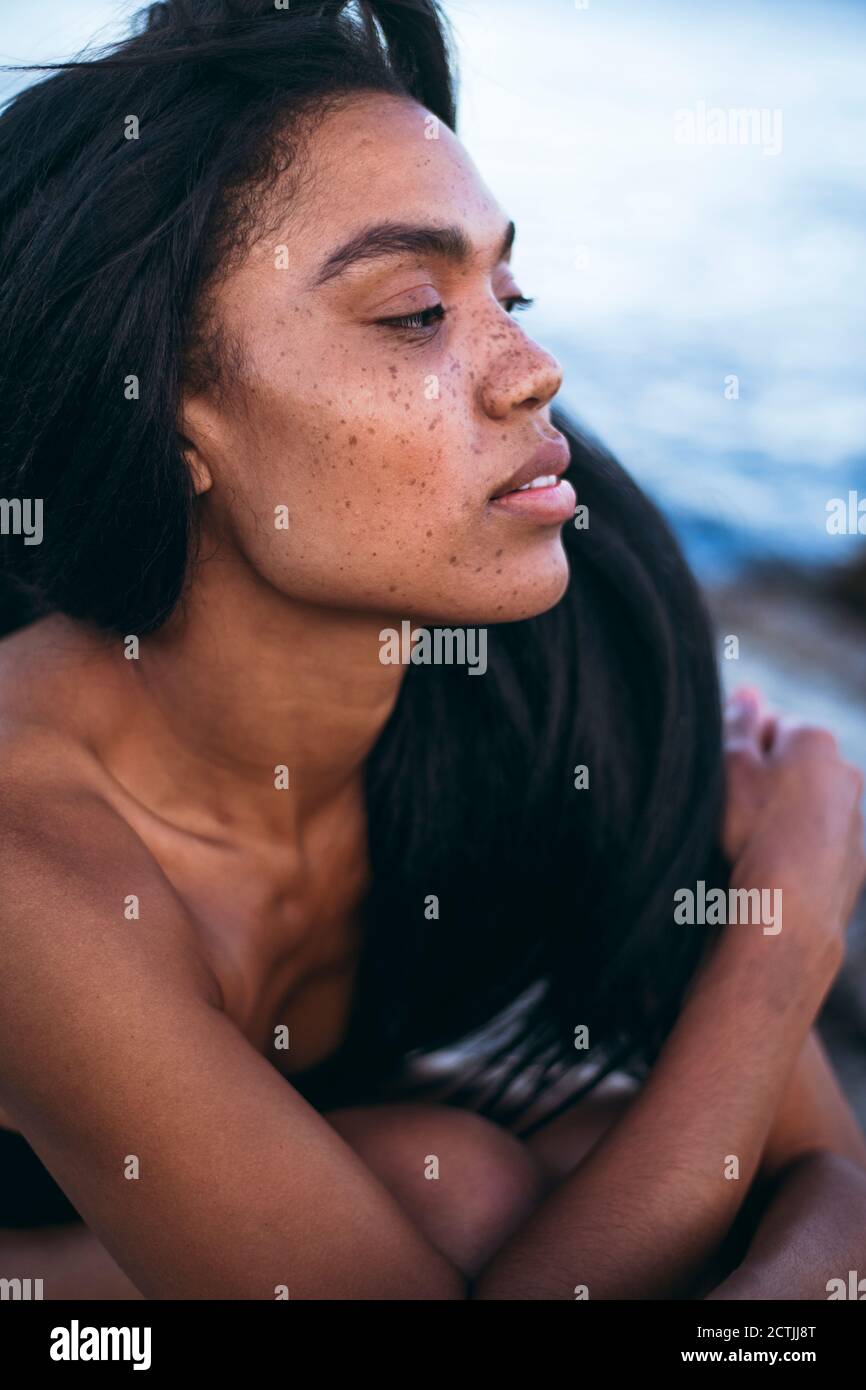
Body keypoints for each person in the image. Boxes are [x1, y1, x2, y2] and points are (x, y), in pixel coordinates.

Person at [0, 0, 864, 1300]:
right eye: (415, 313)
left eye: (507, 289)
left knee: (490, 1171)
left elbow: (833, 1186)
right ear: (165, 411)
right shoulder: (32, 875)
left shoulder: (560, 638)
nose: (533, 369)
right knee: (462, 1188)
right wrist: (783, 930)